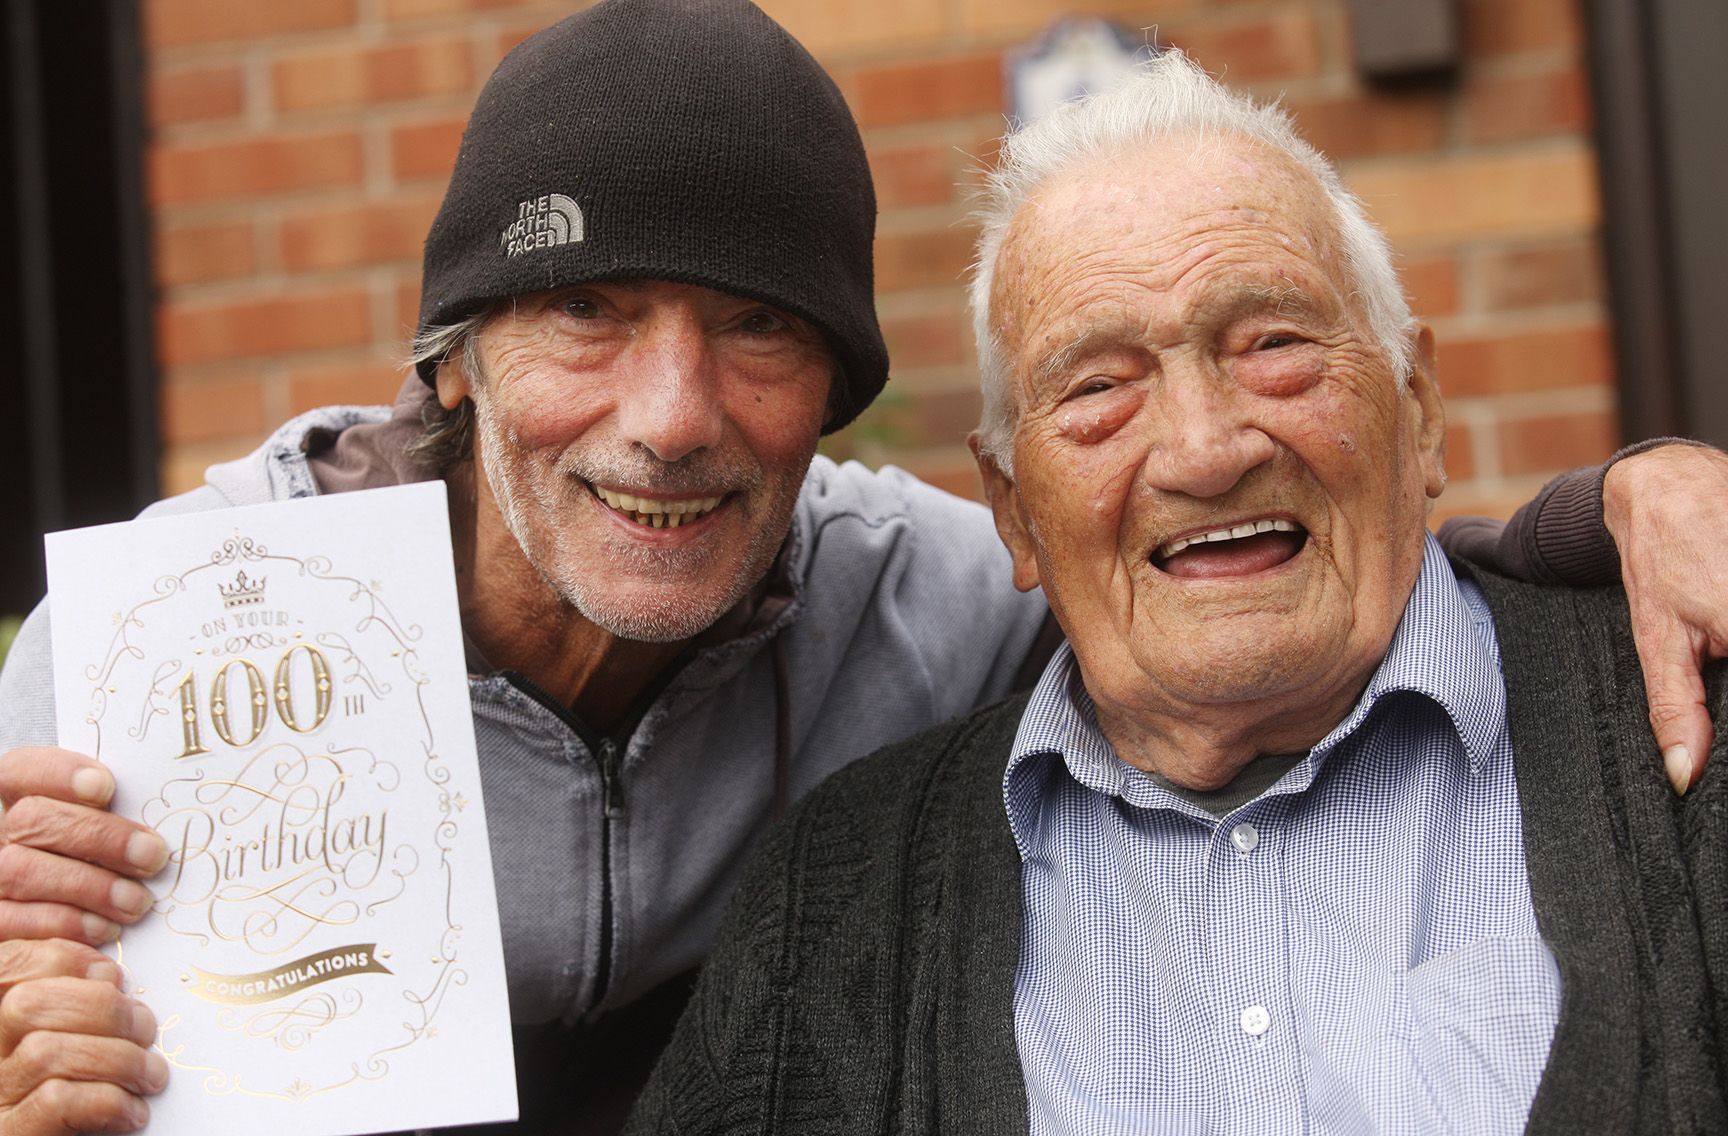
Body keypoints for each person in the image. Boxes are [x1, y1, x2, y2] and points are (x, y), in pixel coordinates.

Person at [0, 5, 1721, 1134]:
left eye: (755, 327)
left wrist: (1614, 515)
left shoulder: (940, 598)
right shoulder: (150, 662)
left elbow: (1221, 576)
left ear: (838, 399)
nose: (670, 418)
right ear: (450, 361)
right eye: (584, 313)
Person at [625, 51, 1728, 1135]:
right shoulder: (841, 898)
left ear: (1421, 410)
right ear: (1011, 508)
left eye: (1274, 344)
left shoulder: (1687, 725)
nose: (1201, 452)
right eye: (1099, 385)